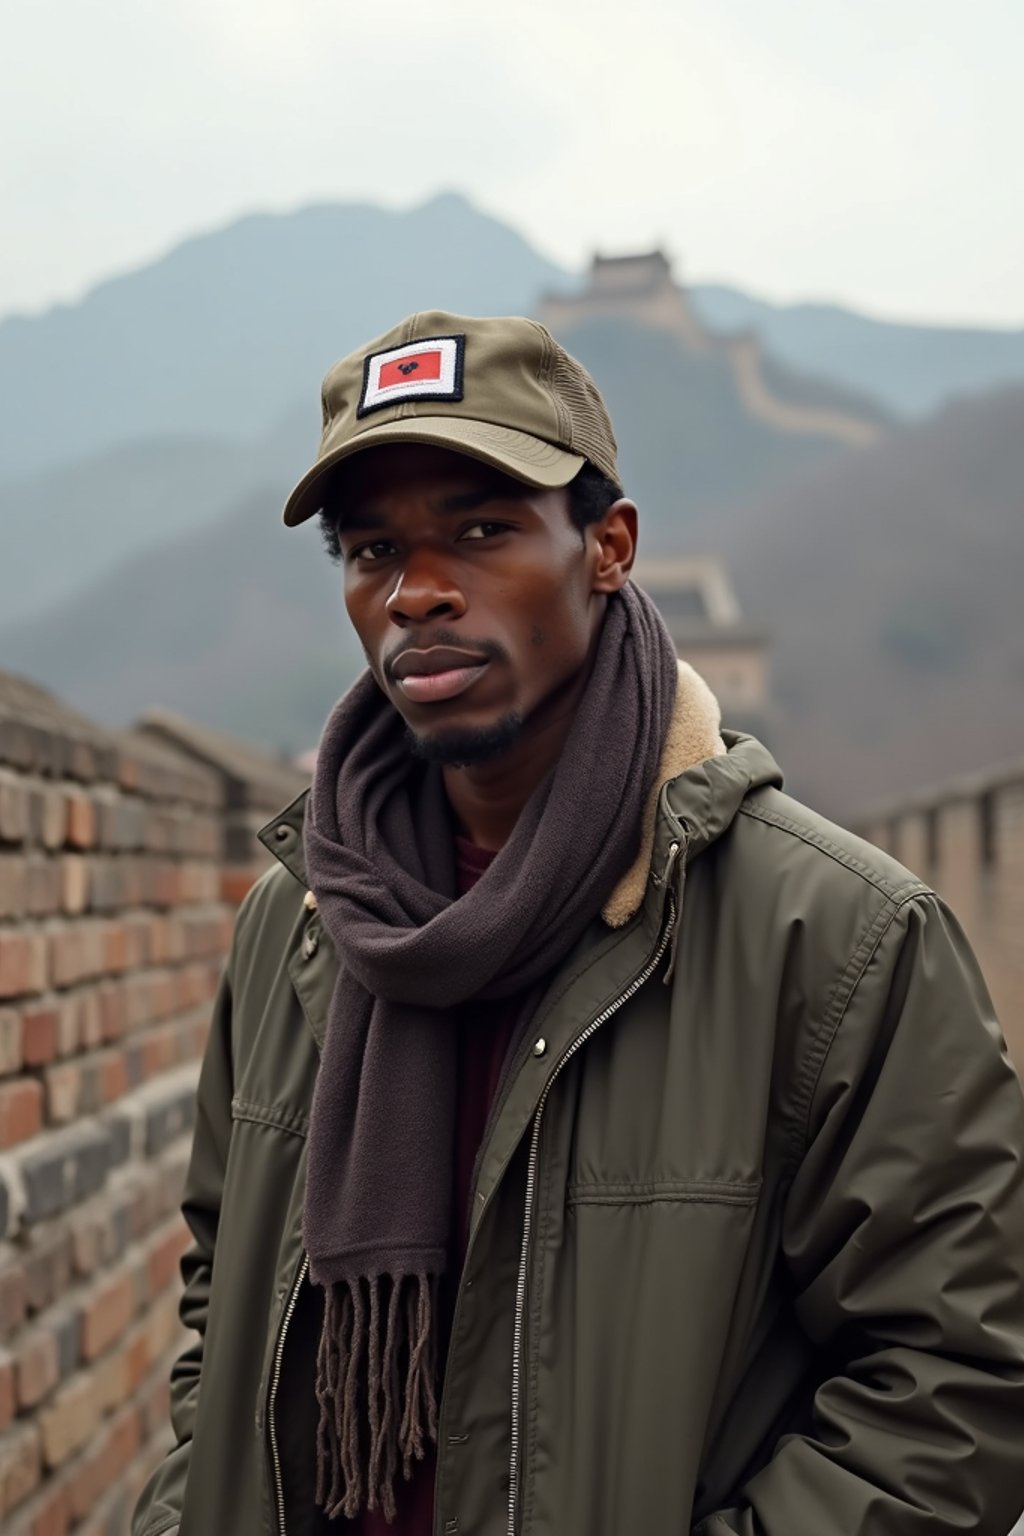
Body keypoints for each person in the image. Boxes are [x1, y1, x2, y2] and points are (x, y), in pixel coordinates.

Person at [132, 312, 1024, 1536]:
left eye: (481, 531)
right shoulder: (304, 915)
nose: (416, 592)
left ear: (607, 548)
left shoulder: (835, 939)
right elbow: (221, 1296)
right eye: (371, 548)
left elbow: (954, 1388)